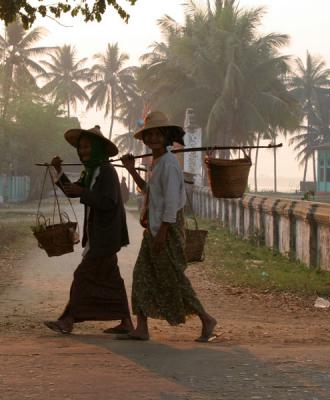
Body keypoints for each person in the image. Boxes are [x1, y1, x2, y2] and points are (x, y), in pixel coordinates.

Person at [119, 111, 218, 342]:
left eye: (157, 134)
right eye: (149, 135)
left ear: (166, 137)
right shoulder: (158, 162)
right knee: (142, 275)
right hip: (153, 228)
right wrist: (131, 170)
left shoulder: (170, 164)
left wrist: (162, 232)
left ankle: (206, 318)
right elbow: (149, 192)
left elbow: (172, 202)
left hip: (167, 229)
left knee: (173, 277)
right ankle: (141, 327)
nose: (153, 139)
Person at [43, 125, 134, 335]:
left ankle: (68, 319)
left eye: (87, 148)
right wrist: (59, 171)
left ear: (97, 149)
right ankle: (126, 322)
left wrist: (83, 191)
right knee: (111, 280)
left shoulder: (107, 172)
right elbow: (72, 191)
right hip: (98, 236)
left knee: (82, 275)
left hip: (106, 236)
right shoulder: (90, 171)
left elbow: (109, 201)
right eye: (80, 148)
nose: (83, 152)